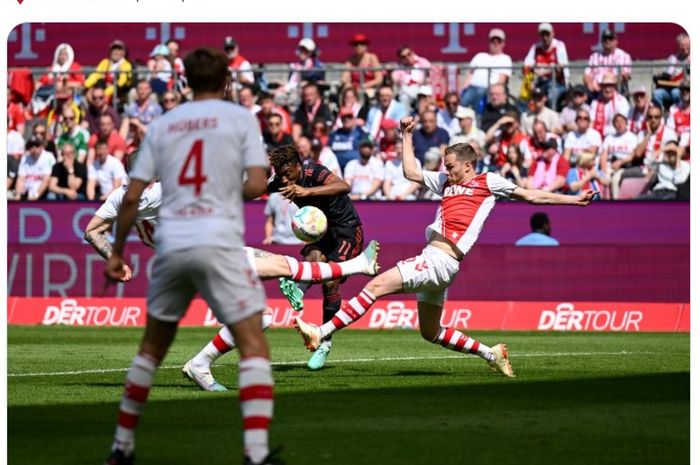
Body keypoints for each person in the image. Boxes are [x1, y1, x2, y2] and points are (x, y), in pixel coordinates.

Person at [295, 116, 597, 377]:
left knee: (374, 286)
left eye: (451, 166)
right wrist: (407, 135)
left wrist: (575, 200)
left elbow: (531, 196)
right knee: (431, 332)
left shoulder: (487, 182)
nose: (446, 170)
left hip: (441, 260)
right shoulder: (445, 183)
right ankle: (491, 354)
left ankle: (321, 332)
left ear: (468, 165)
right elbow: (410, 173)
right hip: (437, 262)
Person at [102, 48, 278, 465]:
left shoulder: (163, 125)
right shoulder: (239, 120)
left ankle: (120, 449)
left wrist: (118, 251)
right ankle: (256, 453)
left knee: (151, 349)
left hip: (173, 244)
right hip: (216, 238)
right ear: (226, 82)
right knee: (253, 341)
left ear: (185, 82)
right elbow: (255, 185)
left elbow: (132, 196)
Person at [267, 144, 366, 370]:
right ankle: (298, 290)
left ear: (298, 167)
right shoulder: (281, 181)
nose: (283, 180)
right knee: (313, 258)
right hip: (321, 232)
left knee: (330, 282)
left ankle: (325, 343)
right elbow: (255, 189)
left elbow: (344, 186)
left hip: (348, 231)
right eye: (279, 174)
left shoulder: (315, 172)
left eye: (287, 174)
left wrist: (307, 192)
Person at [459, 28, 512, 110]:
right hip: (472, 88)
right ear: (489, 42)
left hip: (488, 89)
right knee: (462, 102)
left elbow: (502, 80)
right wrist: (462, 88)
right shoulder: (480, 56)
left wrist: (492, 89)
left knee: (479, 96)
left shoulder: (505, 59)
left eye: (498, 41)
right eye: (493, 41)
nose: (495, 43)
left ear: (503, 44)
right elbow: (470, 75)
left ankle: (478, 119)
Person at [522, 23, 569, 110]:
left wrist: (546, 71)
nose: (545, 38)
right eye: (542, 35)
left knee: (551, 94)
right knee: (523, 99)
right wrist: (530, 80)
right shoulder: (535, 47)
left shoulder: (559, 45)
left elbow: (562, 65)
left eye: (547, 34)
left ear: (552, 34)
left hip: (557, 83)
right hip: (539, 82)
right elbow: (526, 66)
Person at [584, 29, 632, 99]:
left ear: (616, 41)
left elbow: (625, 76)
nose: (607, 41)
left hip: (614, 90)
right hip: (595, 91)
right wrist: (590, 85)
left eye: (610, 38)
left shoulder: (624, 56)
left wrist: (605, 86)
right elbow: (586, 75)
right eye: (605, 39)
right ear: (601, 41)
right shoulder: (594, 56)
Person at [84, 39, 133, 106]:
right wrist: (85, 85)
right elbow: (95, 75)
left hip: (119, 92)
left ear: (124, 52)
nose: (115, 52)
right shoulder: (105, 62)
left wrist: (106, 92)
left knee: (100, 97)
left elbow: (121, 83)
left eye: (118, 49)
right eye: (114, 49)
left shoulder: (126, 65)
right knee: (89, 93)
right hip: (103, 90)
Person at [653, 32, 690, 109]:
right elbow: (668, 74)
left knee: (676, 93)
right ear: (678, 46)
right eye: (681, 45)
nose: (684, 47)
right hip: (670, 87)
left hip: (686, 89)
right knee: (657, 94)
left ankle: (679, 112)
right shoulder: (673, 58)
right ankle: (659, 115)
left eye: (686, 45)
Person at [340, 33, 384, 99]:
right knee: (346, 90)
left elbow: (379, 79)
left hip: (370, 89)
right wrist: (347, 82)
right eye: (356, 44)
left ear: (366, 46)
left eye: (362, 43)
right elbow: (344, 77)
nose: (359, 46)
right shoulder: (350, 59)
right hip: (354, 90)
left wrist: (363, 86)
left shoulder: (372, 58)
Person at [13, 136, 56, 201]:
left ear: (42, 146)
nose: (34, 148)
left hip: (42, 193)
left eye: (37, 145)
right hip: (26, 191)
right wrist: (18, 194)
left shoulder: (48, 156)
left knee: (51, 197)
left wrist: (36, 195)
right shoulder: (25, 158)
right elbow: (21, 178)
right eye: (31, 146)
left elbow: (46, 180)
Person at [328, 107, 370, 173]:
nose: (346, 119)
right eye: (344, 117)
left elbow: (368, 150)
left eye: (349, 117)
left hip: (356, 171)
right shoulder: (334, 134)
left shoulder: (361, 133)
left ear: (354, 118)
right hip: (337, 171)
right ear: (341, 119)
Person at [391, 45, 432, 110]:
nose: (407, 57)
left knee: (422, 94)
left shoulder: (422, 61)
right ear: (401, 59)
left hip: (421, 88)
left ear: (412, 53)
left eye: (409, 54)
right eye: (404, 57)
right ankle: (406, 118)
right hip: (407, 90)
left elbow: (431, 75)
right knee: (403, 96)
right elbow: (394, 79)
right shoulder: (399, 67)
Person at [589, 73, 629, 138]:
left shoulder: (621, 101)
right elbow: (591, 122)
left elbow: (623, 123)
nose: (607, 90)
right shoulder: (595, 102)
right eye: (605, 86)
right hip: (598, 136)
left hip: (617, 135)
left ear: (615, 87)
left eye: (610, 86)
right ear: (601, 87)